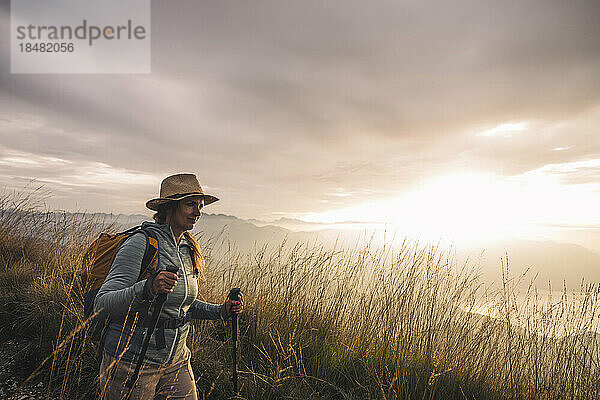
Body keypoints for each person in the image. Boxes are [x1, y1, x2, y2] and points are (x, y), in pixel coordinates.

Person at [94, 173, 242, 399]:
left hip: (176, 361)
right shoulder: (141, 244)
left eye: (200, 206)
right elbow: (103, 304)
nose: (198, 212)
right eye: (190, 204)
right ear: (170, 208)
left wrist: (221, 310)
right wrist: (148, 288)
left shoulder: (188, 249)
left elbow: (182, 305)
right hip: (131, 362)